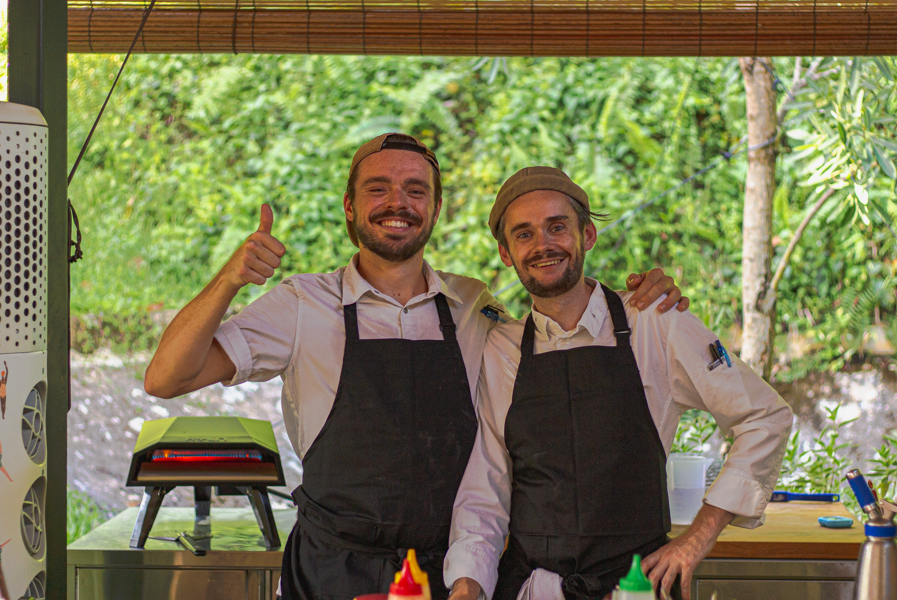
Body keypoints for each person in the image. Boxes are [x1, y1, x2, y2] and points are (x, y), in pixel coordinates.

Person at [144, 135, 687, 600]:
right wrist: (231, 277)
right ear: (350, 207)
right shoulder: (302, 305)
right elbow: (166, 378)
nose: (396, 202)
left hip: (451, 576)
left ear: (435, 207)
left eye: (416, 190)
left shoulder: (475, 307)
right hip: (333, 570)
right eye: (377, 188)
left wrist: (640, 302)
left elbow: (563, 322)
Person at [444, 167, 793, 600]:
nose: (543, 245)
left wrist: (697, 538)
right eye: (525, 234)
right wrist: (466, 587)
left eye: (558, 227)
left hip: (638, 588)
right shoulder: (502, 349)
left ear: (587, 235)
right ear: (506, 252)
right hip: (534, 590)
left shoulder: (655, 321)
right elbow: (486, 490)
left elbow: (765, 416)